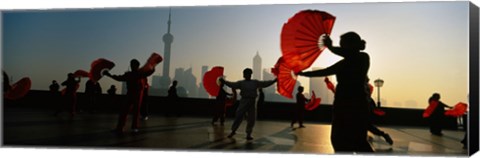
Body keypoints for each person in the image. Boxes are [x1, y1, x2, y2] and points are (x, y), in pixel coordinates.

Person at [298, 32, 373, 152]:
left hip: (353, 105)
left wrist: (331, 47)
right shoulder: (350, 61)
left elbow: (347, 55)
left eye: (343, 44)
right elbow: (326, 71)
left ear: (351, 45)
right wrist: (303, 73)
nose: (341, 47)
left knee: (355, 142)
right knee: (346, 141)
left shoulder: (362, 57)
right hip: (346, 104)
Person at [220, 68, 277, 140]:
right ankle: (233, 131)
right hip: (244, 101)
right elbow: (232, 84)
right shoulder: (241, 83)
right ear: (244, 75)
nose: (247, 75)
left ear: (250, 74)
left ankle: (248, 134)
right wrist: (225, 82)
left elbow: (265, 83)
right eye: (246, 74)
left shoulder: (255, 82)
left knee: (251, 118)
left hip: (252, 102)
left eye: (248, 74)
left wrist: (274, 81)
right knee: (238, 116)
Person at [104, 59, 154, 133]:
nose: (131, 66)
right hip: (136, 94)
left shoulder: (130, 74)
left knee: (125, 110)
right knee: (133, 111)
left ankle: (121, 127)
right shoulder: (139, 74)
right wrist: (153, 66)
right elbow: (148, 73)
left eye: (132, 64)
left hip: (132, 93)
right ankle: (133, 128)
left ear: (135, 65)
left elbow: (119, 78)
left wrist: (109, 75)